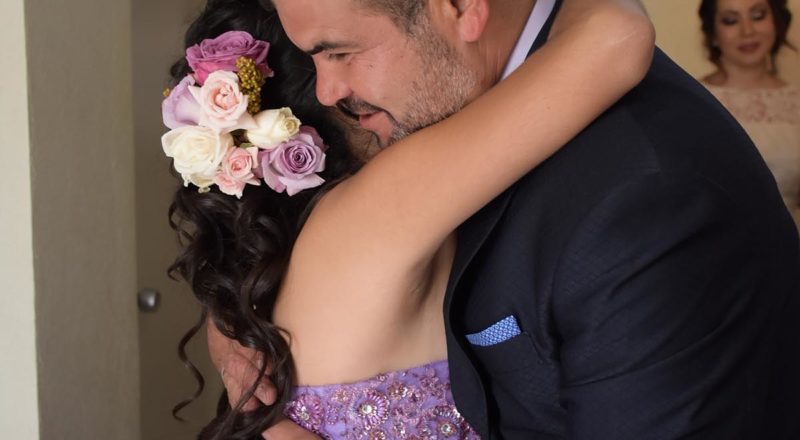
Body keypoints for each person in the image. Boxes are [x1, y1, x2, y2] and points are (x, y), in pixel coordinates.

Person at [213, 0, 800, 438]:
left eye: (340, 51)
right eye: (313, 58)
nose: (330, 89)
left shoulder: (644, 202)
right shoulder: (408, 176)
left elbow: (617, 36)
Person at [166, 0, 656, 438]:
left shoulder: (318, 248)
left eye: (339, 52)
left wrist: (224, 321)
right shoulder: (374, 211)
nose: (332, 88)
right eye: (328, 55)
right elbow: (615, 36)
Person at [698, 0, 800, 230]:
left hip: (783, 246)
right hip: (711, 247)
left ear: (776, 21)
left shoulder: (796, 103)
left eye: (758, 16)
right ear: (713, 34)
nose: (748, 31)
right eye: (730, 20)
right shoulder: (696, 101)